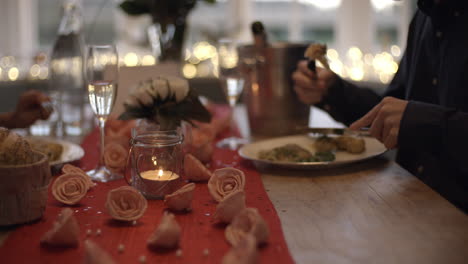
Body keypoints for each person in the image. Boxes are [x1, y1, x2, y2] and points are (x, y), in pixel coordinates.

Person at [292, 0, 468, 212]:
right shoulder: (424, 17)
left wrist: (426, 122)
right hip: (409, 205)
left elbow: (412, 117)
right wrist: (332, 91)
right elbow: (391, 111)